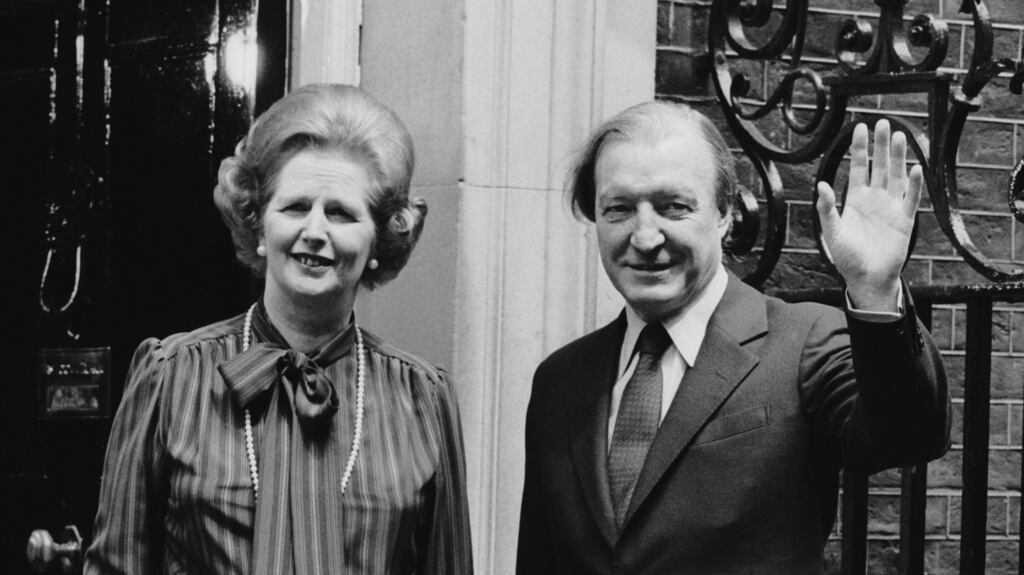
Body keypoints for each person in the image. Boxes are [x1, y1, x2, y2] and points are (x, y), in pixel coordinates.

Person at [516, 102, 950, 573]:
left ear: (725, 213)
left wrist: (875, 291)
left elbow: (907, 436)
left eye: (673, 207)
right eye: (619, 208)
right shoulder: (559, 381)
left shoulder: (804, 343)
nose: (644, 237)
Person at [85, 84, 473, 575]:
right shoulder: (170, 376)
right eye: (295, 207)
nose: (315, 230)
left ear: (377, 240)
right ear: (257, 225)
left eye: (341, 213)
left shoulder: (424, 399)